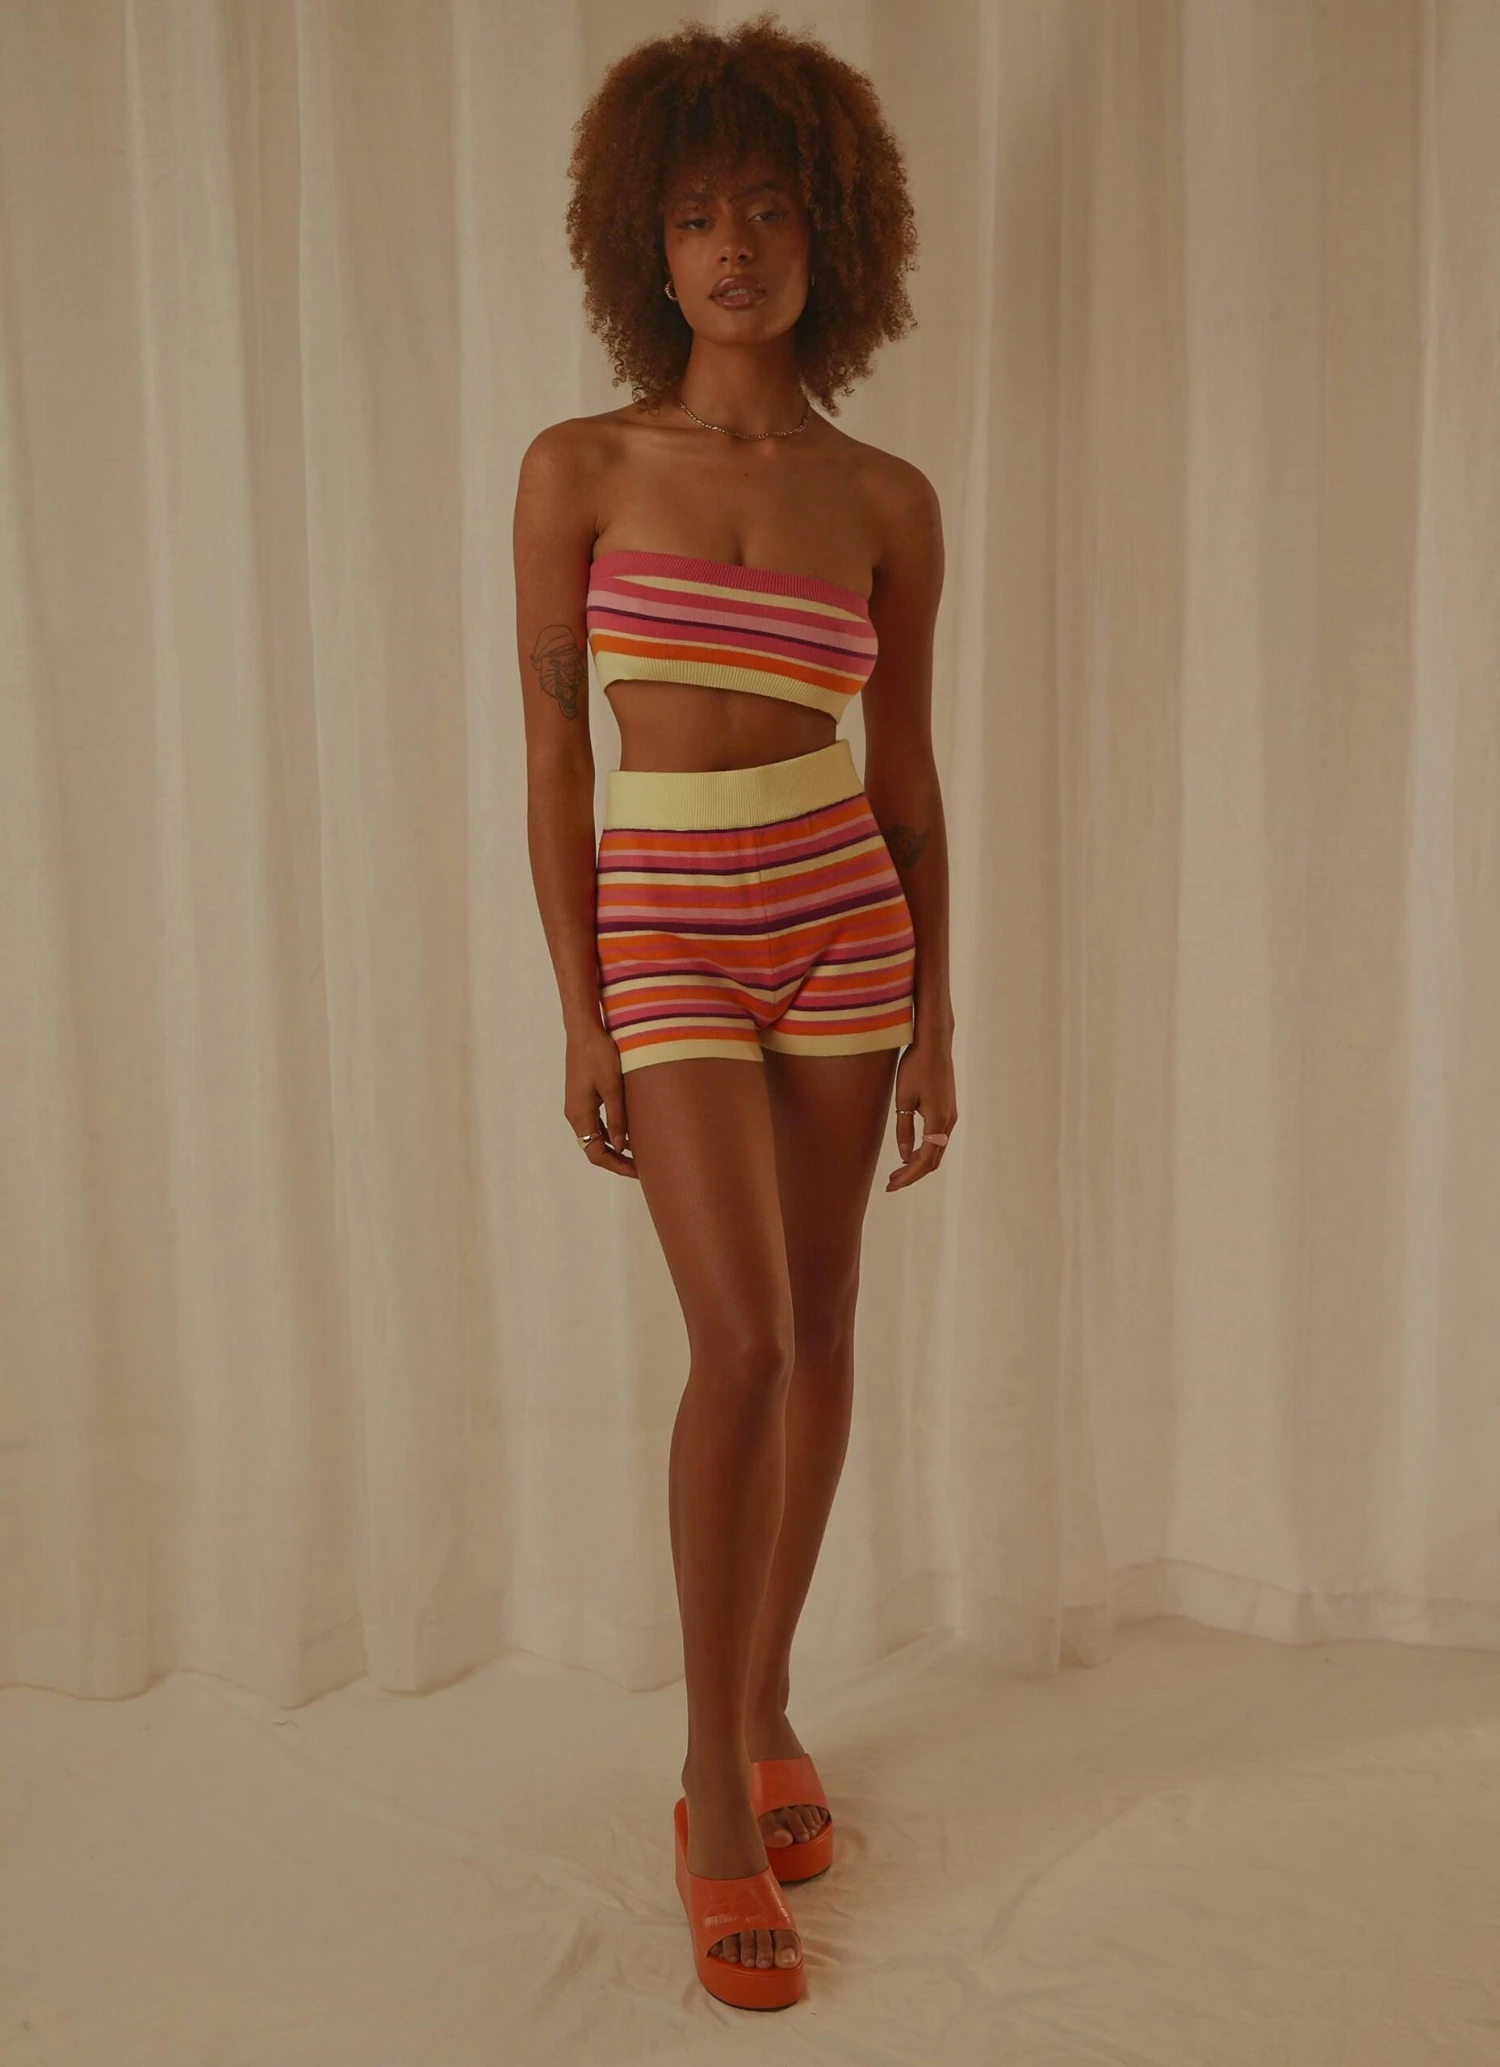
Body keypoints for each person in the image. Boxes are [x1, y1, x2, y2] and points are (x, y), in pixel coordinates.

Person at [512, 13, 957, 2011]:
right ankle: (710, 1781)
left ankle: (770, 1697)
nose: (735, 247)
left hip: (844, 923)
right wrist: (582, 1008)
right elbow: (555, 760)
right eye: (697, 215)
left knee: (830, 1321)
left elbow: (908, 778)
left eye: (769, 209)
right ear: (649, 242)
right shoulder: (581, 468)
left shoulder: (888, 498)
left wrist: (939, 1011)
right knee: (748, 1336)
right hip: (670, 929)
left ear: (827, 235)